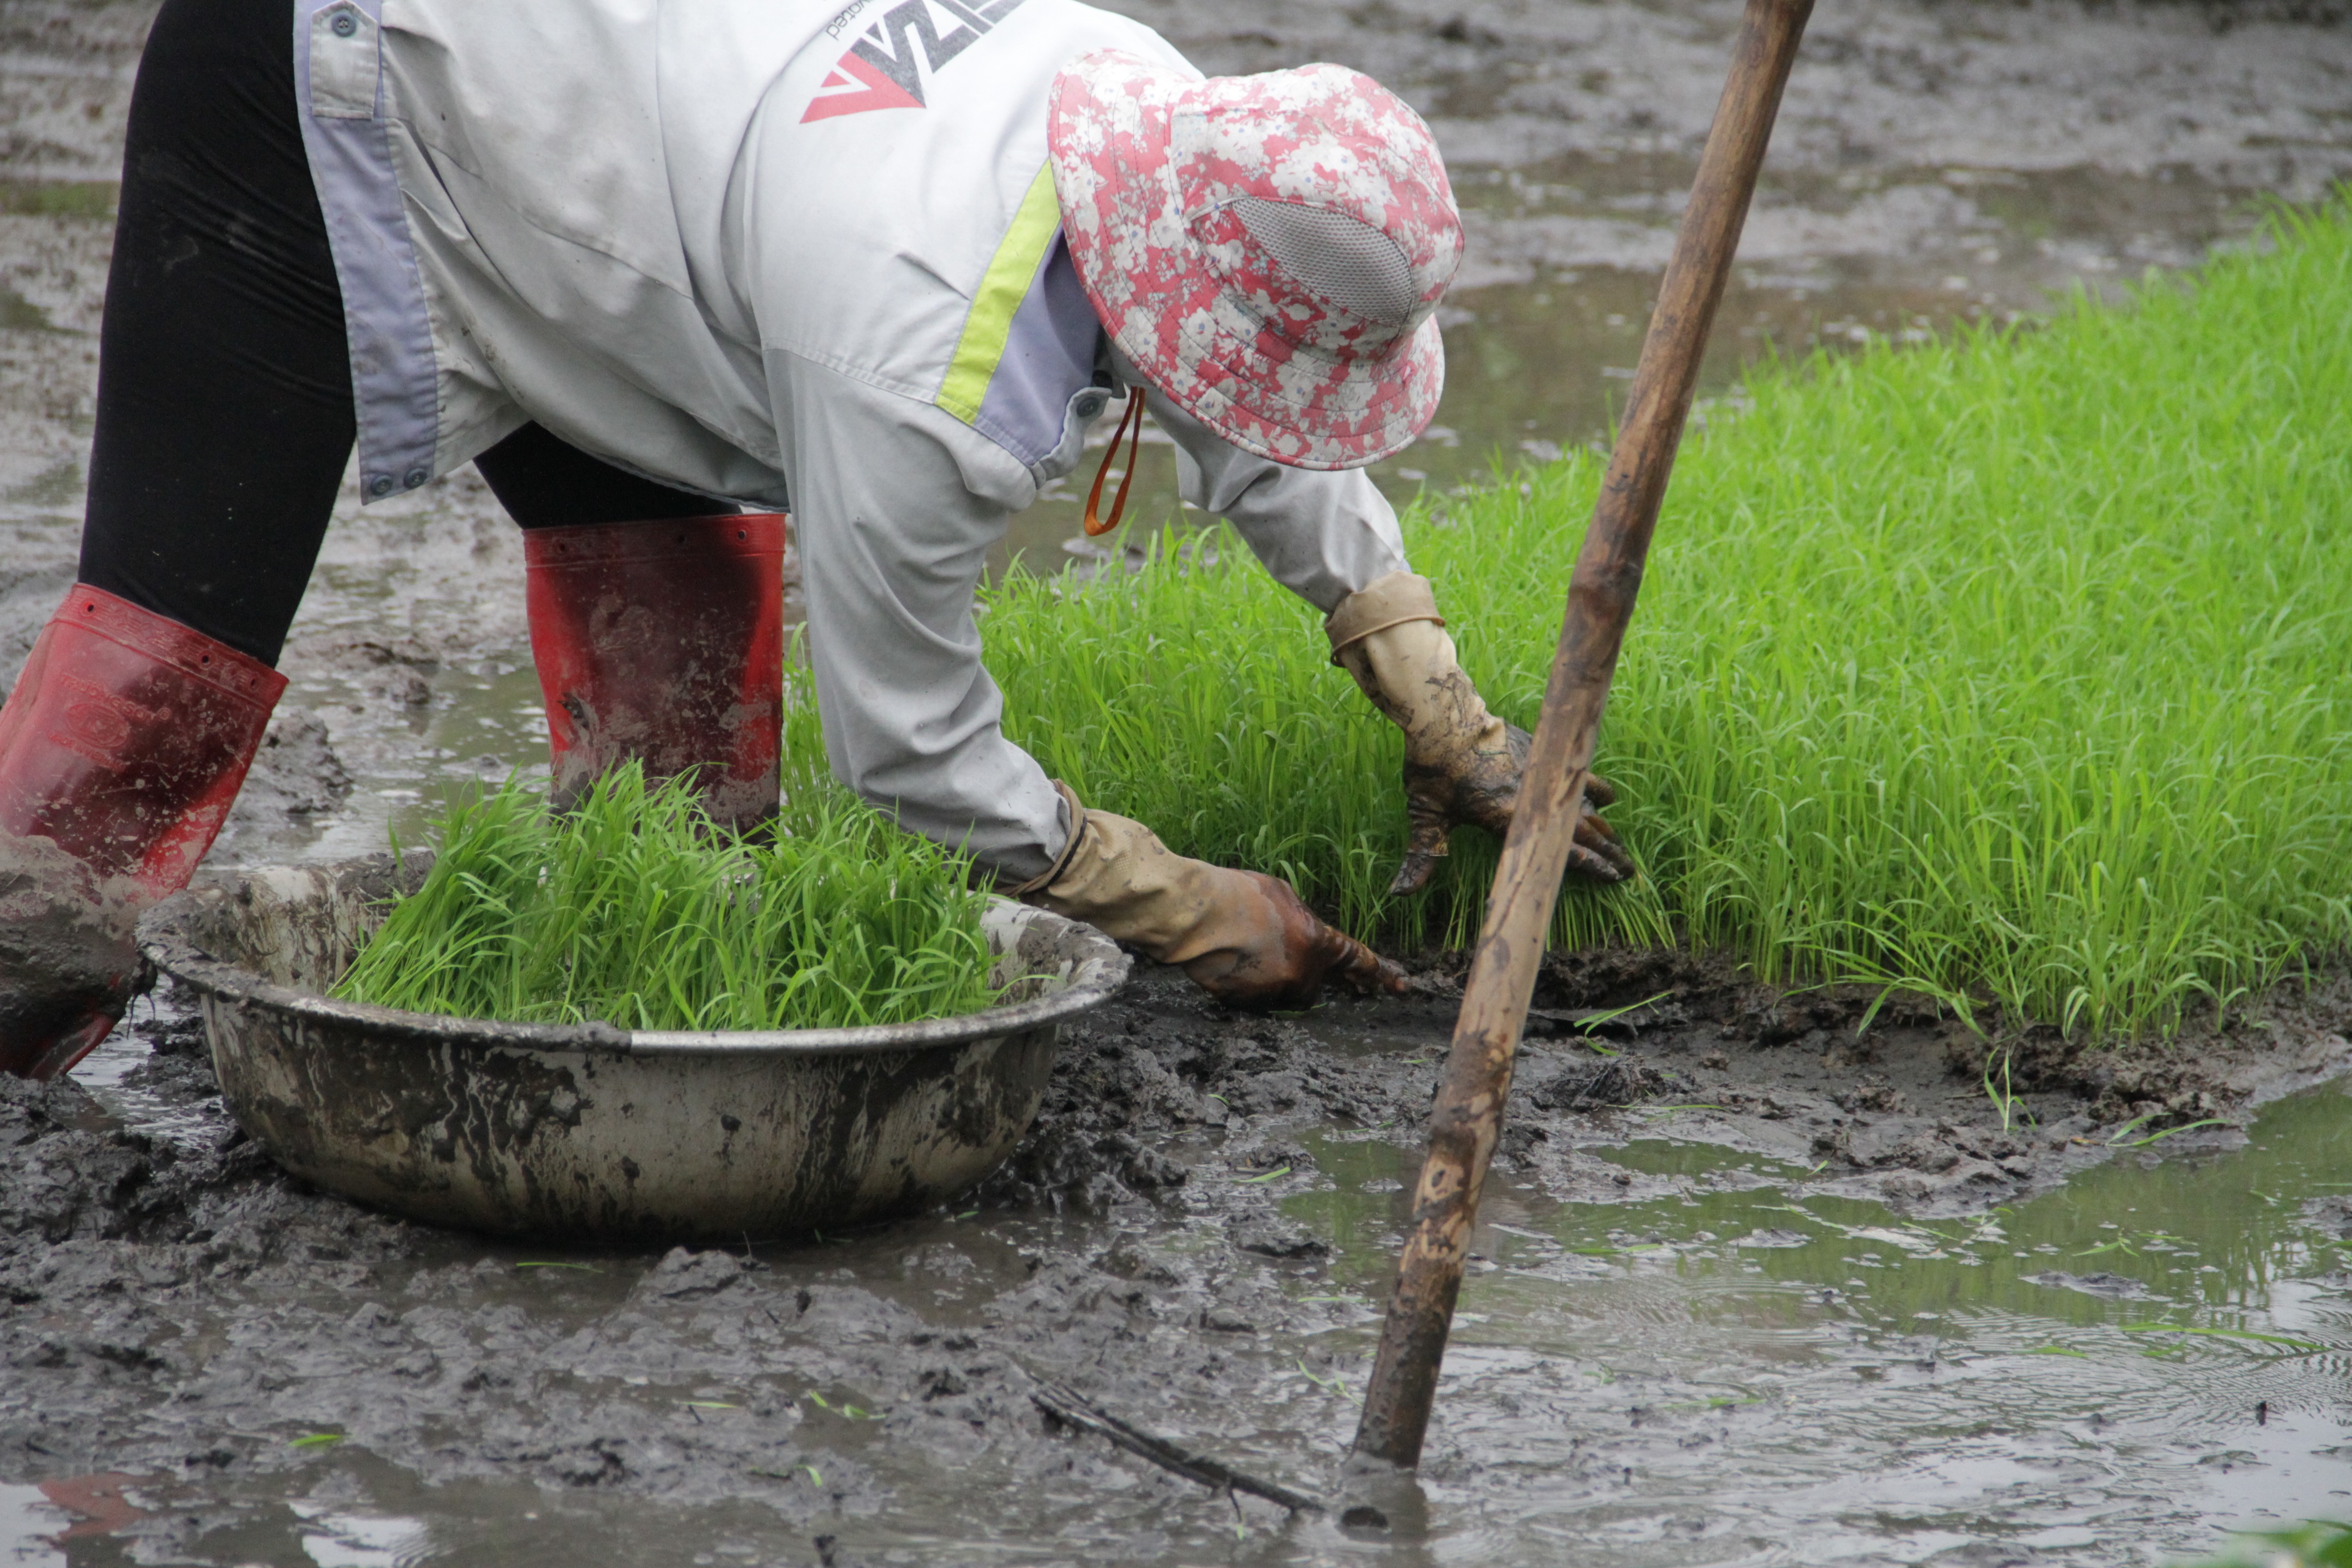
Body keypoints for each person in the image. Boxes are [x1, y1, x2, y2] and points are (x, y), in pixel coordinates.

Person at [0, 0, 1632, 1076]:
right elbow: (911, 750)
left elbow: (1237, 393)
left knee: (687, 673)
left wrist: (1428, 680)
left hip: (598, 135)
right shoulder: (919, 353)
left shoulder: (1152, 112)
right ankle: (17, 1003)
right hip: (325, 77)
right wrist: (1185, 906)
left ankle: (615, 1009)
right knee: (165, 668)